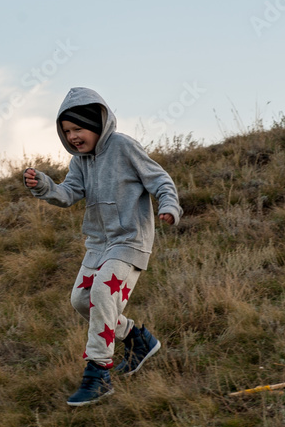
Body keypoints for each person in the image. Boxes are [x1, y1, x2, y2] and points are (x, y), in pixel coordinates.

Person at [23, 87, 182, 407]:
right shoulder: (79, 161)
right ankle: (138, 339)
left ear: (97, 123)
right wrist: (44, 186)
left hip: (129, 240)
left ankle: (98, 374)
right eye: (67, 132)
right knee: (81, 299)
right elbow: (68, 194)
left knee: (102, 294)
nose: (72, 137)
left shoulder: (123, 147)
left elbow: (160, 180)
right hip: (98, 244)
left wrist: (169, 206)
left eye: (78, 129)